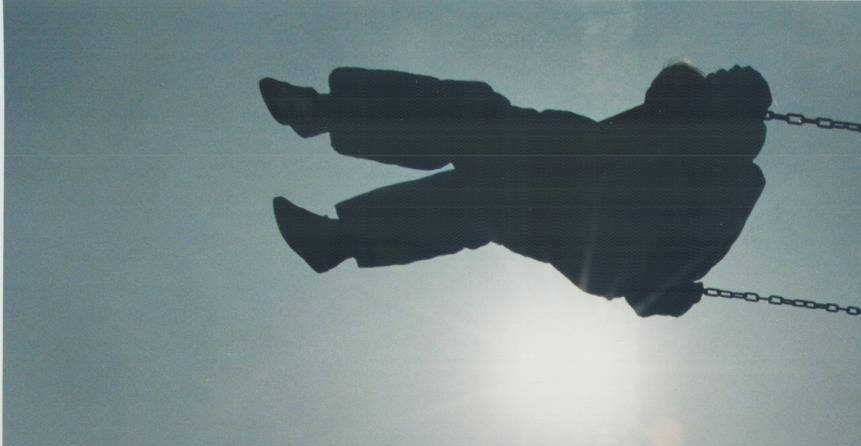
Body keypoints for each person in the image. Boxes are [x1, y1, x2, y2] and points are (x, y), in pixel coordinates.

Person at [259, 63, 771, 317]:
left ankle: (327, 127)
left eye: (727, 78)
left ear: (736, 101)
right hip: (574, 172)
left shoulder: (735, 174)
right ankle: (336, 222)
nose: (715, 75)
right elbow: (670, 87)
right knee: (476, 155)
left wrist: (660, 289)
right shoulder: (678, 113)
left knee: (480, 163)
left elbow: (700, 247)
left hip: (604, 232)